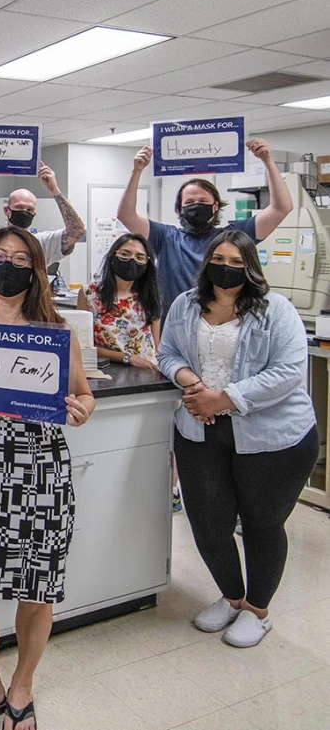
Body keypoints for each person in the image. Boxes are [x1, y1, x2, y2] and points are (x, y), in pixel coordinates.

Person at [0, 227, 95, 730]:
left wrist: (81, 409)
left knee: (37, 592)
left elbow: (83, 394)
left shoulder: (56, 333)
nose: (8, 265)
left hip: (41, 474)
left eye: (20, 258)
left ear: (36, 270)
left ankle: (22, 687)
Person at [157, 230, 316, 648]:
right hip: (199, 429)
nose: (225, 268)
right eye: (219, 259)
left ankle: (257, 611)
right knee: (208, 523)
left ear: (250, 268)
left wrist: (223, 398)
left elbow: (288, 372)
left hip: (272, 436)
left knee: (262, 524)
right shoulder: (185, 304)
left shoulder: (275, 309)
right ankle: (232, 597)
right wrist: (191, 382)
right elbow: (167, 352)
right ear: (207, 261)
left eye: (235, 262)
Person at [116, 138, 293, 318]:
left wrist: (267, 161)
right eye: (190, 202)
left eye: (203, 201)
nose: (196, 206)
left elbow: (281, 208)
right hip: (174, 325)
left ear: (215, 206)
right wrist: (137, 171)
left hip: (224, 324)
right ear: (180, 208)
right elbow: (126, 215)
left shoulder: (233, 237)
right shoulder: (166, 237)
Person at [0, 160, 86, 267]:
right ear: (6, 210)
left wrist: (55, 191)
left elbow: (77, 231)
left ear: (34, 214)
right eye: (19, 207)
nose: (24, 212)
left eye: (29, 209)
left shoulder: (42, 244)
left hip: (30, 303)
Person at [77, 233, 162, 370]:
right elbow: (83, 345)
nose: (131, 260)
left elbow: (156, 346)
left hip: (146, 370)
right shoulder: (89, 293)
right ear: (112, 257)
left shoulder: (150, 296)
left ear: (147, 264)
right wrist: (126, 357)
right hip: (106, 369)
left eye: (139, 257)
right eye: (125, 254)